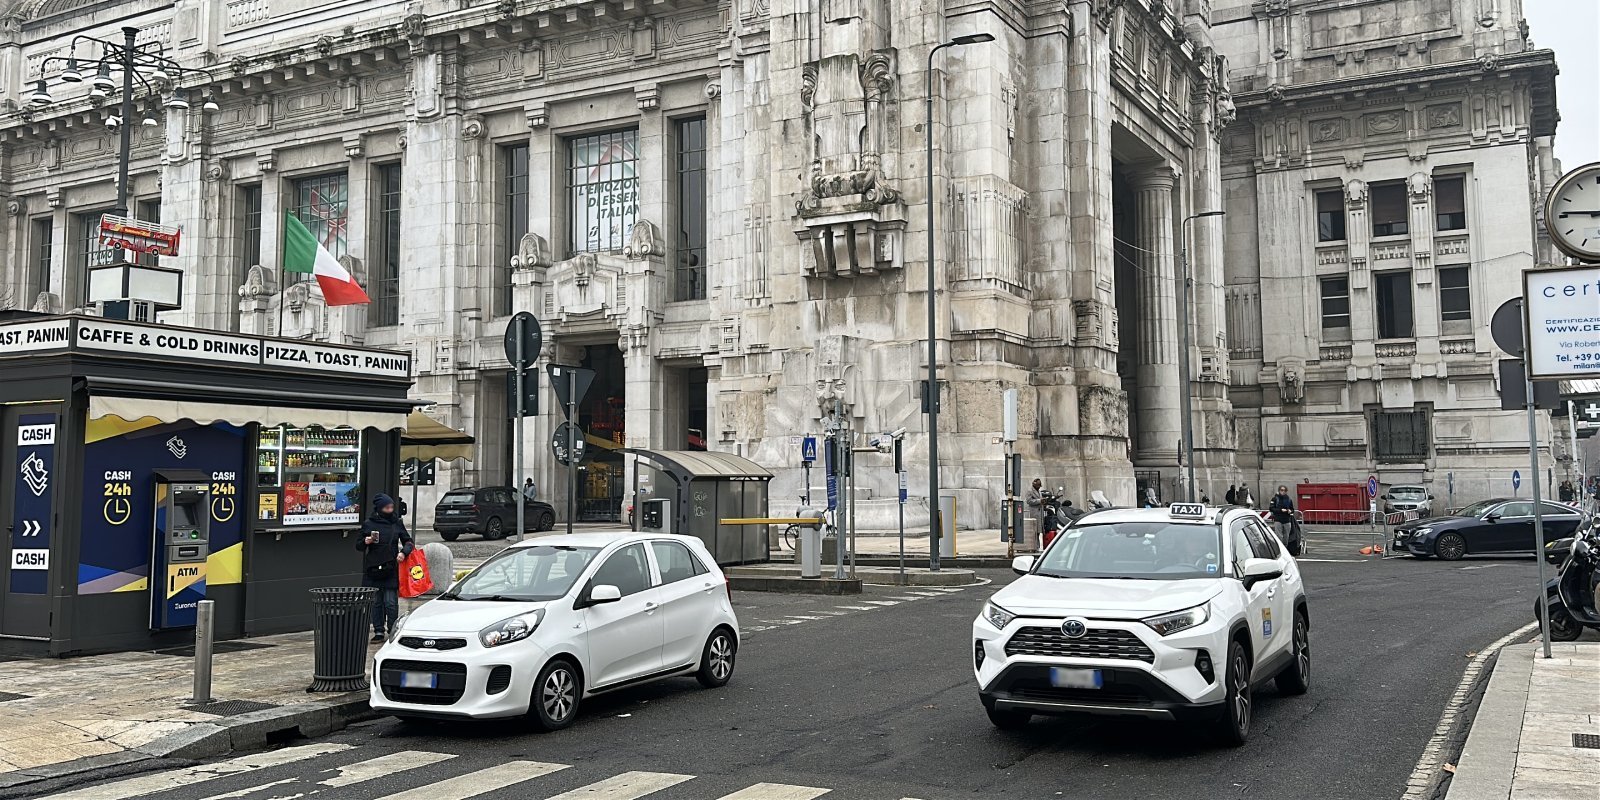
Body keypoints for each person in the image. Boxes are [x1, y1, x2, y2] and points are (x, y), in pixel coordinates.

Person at [356, 493, 414, 643]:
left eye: (391, 507)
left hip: (391, 567)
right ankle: (379, 631)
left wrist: (403, 553)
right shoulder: (369, 524)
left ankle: (393, 629)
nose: (390, 510)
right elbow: (358, 546)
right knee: (376, 602)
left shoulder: (397, 523)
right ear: (380, 508)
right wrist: (366, 541)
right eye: (387, 507)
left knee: (390, 602)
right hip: (373, 567)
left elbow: (408, 541)